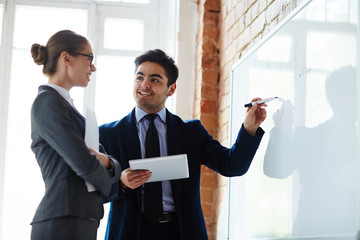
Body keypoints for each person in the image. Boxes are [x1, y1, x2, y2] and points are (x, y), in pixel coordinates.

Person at [100, 49, 267, 240]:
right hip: (129, 232)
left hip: (181, 232)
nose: (144, 85)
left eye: (155, 80)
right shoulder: (108, 134)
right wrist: (120, 183)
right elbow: (90, 193)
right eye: (139, 77)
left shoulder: (191, 132)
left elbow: (232, 165)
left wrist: (249, 129)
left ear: (171, 89)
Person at [30, 30, 121, 240]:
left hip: (77, 221)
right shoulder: (47, 102)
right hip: (62, 224)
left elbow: (104, 161)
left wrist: (105, 161)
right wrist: (111, 181)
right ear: (66, 58)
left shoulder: (66, 106)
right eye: (89, 58)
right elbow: (83, 161)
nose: (93, 67)